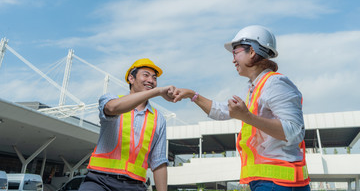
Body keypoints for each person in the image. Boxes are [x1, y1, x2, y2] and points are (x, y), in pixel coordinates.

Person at [173, 25, 310, 191]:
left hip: (280, 183)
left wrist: (247, 117)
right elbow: (222, 111)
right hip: (266, 181)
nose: (233, 59)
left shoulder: (275, 84)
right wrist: (192, 95)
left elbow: (295, 131)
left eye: (235, 52)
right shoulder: (253, 87)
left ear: (251, 51)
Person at [79, 58, 175, 191]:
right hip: (99, 181)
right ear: (131, 78)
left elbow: (158, 162)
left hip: (135, 186)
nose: (151, 80)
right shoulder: (111, 100)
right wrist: (157, 91)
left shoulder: (159, 119)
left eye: (154, 78)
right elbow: (112, 109)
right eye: (146, 75)